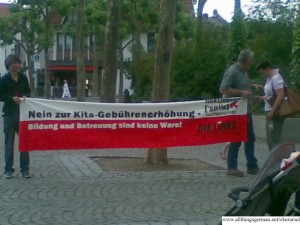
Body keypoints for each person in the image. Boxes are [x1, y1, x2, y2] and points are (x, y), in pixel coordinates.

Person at [219, 49, 260, 177]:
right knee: (236, 138)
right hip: (236, 111)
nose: (252, 63)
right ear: (247, 61)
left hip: (245, 111)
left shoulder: (243, 72)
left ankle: (252, 165)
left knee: (250, 138)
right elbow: (224, 89)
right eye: (251, 61)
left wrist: (251, 86)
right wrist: (241, 93)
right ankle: (232, 167)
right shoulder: (232, 71)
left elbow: (241, 86)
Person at [0, 54, 31, 179]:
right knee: (9, 143)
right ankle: (8, 169)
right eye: (14, 63)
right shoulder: (3, 80)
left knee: (24, 142)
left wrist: (25, 96)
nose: (16, 65)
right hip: (9, 113)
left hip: (22, 113)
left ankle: (25, 169)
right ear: (9, 65)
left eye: (18, 63)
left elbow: (28, 91)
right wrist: (11, 98)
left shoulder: (23, 78)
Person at [256, 60, 286, 151]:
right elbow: (271, 95)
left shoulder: (276, 78)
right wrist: (263, 97)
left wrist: (272, 111)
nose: (263, 74)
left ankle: (277, 161)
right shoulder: (269, 78)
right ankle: (274, 160)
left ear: (268, 69)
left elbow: (280, 95)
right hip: (269, 110)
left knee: (274, 138)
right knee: (270, 138)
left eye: (263, 72)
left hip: (275, 111)